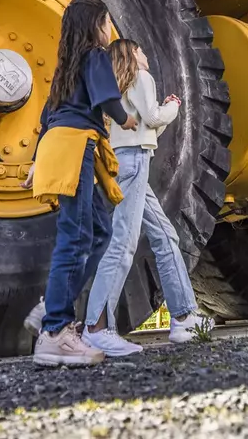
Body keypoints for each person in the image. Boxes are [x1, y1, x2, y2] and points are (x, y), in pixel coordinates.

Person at [82, 39, 216, 356]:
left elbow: (146, 128)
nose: (146, 55)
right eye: (142, 51)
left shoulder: (119, 85)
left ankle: (184, 317)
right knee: (123, 243)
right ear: (133, 55)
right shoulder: (142, 78)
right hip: (134, 161)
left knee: (165, 235)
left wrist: (161, 114)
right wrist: (174, 107)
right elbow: (154, 119)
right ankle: (96, 329)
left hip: (128, 160)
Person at [26, 0, 138, 366]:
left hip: (59, 146)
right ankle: (56, 331)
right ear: (95, 25)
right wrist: (127, 120)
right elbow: (107, 97)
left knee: (100, 230)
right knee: (75, 237)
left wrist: (36, 160)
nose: (109, 30)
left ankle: (51, 306)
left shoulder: (66, 68)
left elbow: (47, 116)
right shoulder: (95, 57)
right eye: (106, 22)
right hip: (76, 148)